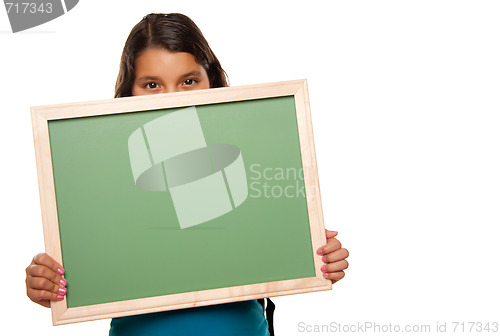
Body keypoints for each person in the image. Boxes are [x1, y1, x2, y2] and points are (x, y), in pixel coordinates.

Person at [25, 13, 349, 335]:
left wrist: (316, 257)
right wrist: (49, 284)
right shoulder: (102, 181)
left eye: (188, 81)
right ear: (129, 92)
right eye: (152, 85)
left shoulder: (250, 156)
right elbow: (90, 270)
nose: (172, 99)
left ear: (211, 82)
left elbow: (276, 248)